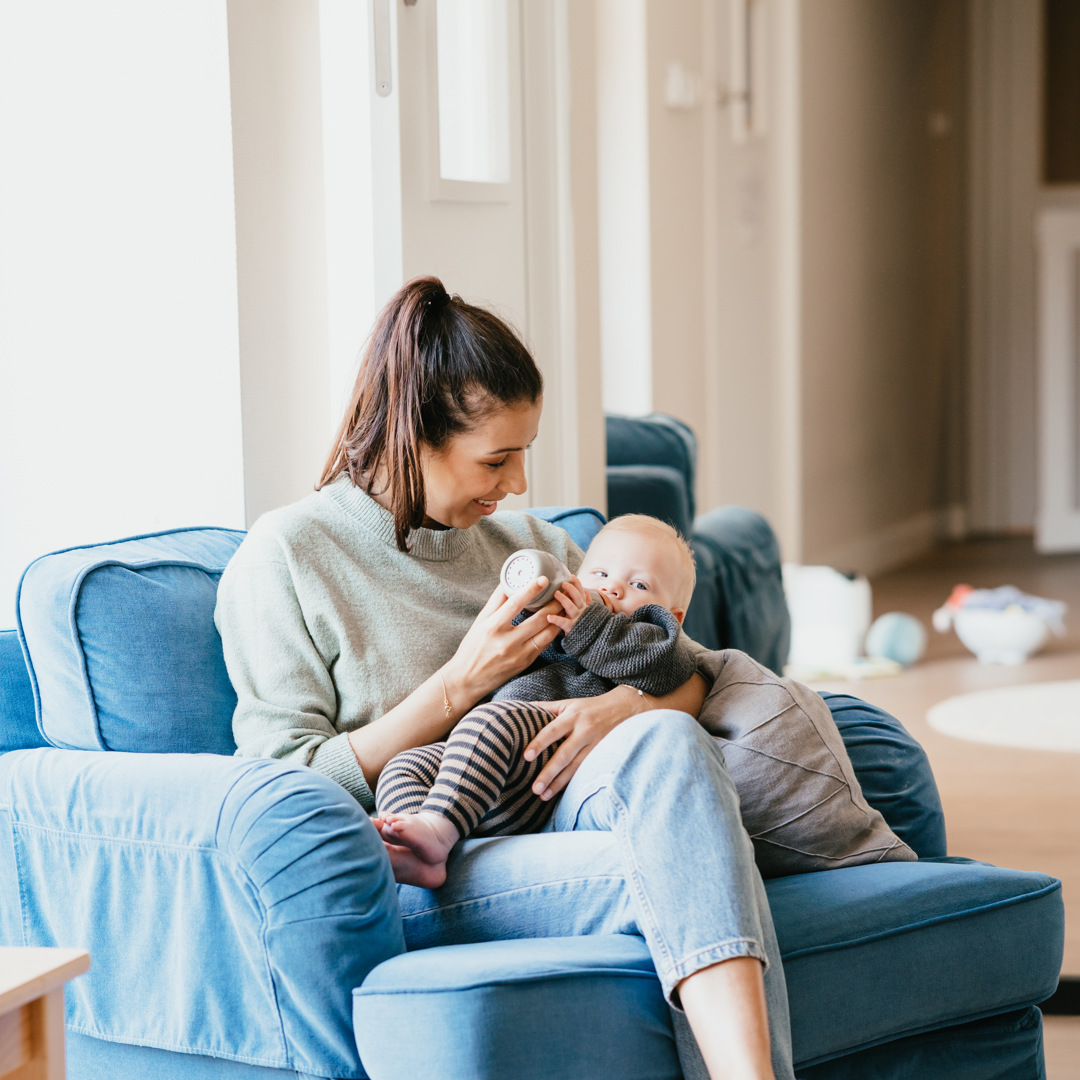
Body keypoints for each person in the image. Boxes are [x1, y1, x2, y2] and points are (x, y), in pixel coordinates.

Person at [214, 276, 792, 1080]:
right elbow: (278, 786)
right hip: (445, 846)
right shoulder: (290, 559)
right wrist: (456, 687)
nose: (519, 483)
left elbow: (687, 674)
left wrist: (613, 713)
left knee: (665, 735)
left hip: (578, 801)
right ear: (415, 434)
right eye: (498, 458)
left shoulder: (530, 541)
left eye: (524, 454)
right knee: (694, 854)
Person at [372, 514, 700, 890]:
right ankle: (420, 845)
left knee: (491, 721)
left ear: (673, 616)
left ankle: (438, 829)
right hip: (484, 765)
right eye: (600, 574)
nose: (613, 590)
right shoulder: (564, 616)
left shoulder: (654, 637)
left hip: (539, 767)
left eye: (638, 583)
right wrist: (530, 610)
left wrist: (590, 624)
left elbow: (663, 665)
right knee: (405, 764)